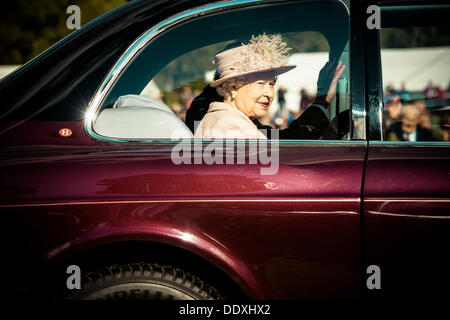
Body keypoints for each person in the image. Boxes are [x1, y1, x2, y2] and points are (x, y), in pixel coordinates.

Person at [188, 33, 346, 139]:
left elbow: (282, 142)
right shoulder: (230, 126)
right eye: (260, 83)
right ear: (232, 87)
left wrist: (322, 101)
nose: (269, 93)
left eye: (271, 84)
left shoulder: (232, 118)